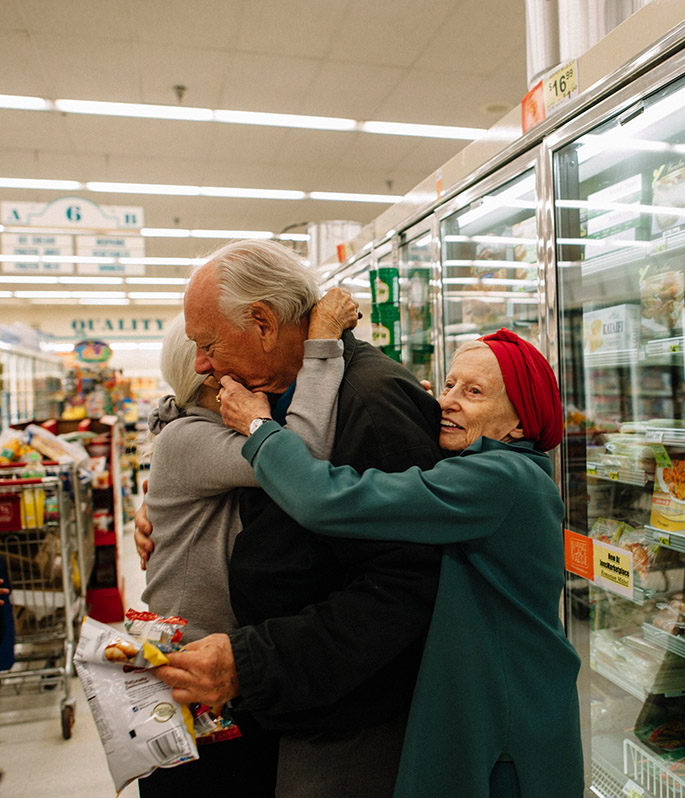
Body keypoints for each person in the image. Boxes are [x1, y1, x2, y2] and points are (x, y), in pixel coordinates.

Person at [199, 327, 584, 798]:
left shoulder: (498, 479)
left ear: (520, 424)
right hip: (504, 696)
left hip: (507, 713)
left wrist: (260, 430)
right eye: (448, 385)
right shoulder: (499, 469)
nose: (448, 402)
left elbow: (330, 500)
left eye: (475, 392)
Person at [137, 239, 443, 798]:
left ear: (262, 323)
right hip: (288, 702)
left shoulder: (368, 401)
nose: (200, 364)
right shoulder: (280, 391)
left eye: (207, 345)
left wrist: (252, 663)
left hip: (345, 718)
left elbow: (405, 587)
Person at [134, 288, 357, 796]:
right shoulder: (191, 437)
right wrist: (322, 347)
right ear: (211, 378)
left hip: (221, 669)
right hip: (194, 683)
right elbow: (300, 457)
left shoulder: (195, 434)